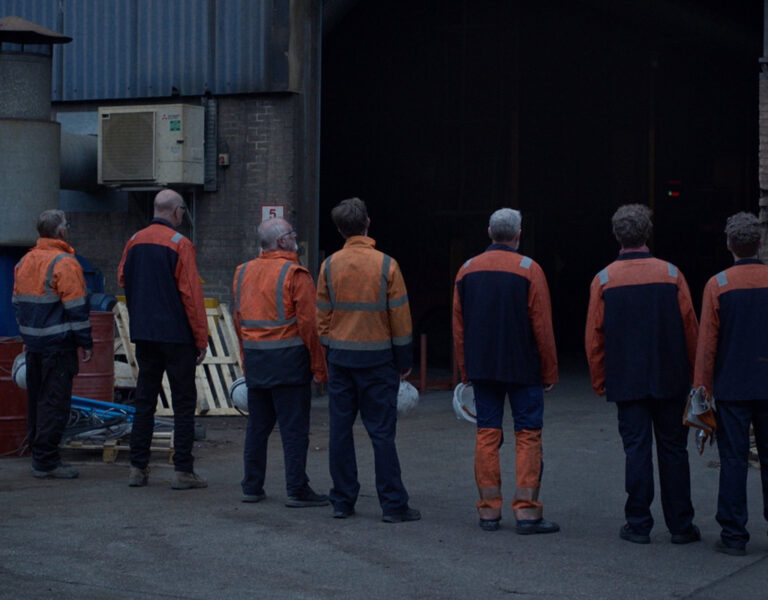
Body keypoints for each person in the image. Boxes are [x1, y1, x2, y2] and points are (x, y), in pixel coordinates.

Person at [585, 204, 700, 545]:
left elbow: (594, 337)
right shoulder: (671, 274)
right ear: (648, 233)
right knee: (674, 450)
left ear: (617, 236)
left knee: (636, 449)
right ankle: (680, 526)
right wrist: (697, 376)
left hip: (626, 378)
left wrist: (599, 377)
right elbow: (690, 329)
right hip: (670, 377)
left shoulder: (604, 279)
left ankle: (638, 523)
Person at [452, 208, 559, 534]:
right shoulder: (530, 270)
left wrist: (464, 368)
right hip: (524, 368)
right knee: (527, 434)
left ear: (489, 231)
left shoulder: (467, 269)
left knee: (487, 433)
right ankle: (527, 513)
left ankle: (488, 512)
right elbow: (542, 327)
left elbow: (458, 326)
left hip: (482, 367)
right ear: (518, 234)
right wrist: (549, 371)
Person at [316, 197, 420, 523]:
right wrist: (403, 359)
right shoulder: (387, 265)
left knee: (340, 432)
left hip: (342, 360)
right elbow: (400, 318)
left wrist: (332, 349)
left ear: (339, 229)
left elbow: (321, 318)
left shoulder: (329, 265)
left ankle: (342, 501)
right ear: (368, 223)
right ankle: (393, 505)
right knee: (381, 434)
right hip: (378, 362)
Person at [232, 217, 329, 507]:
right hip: (289, 364)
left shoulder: (242, 272)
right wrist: (319, 367)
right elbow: (309, 326)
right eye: (291, 233)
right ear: (282, 241)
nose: (295, 236)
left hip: (257, 360)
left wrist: (247, 360)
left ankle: (251, 486)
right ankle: (297, 489)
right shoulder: (295, 274)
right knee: (294, 429)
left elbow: (239, 321)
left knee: (258, 427)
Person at [118, 189, 208, 490]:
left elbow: (122, 277)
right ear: (176, 211)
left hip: (144, 334)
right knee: (183, 403)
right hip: (176, 336)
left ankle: (137, 468)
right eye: (183, 211)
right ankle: (183, 471)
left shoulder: (133, 241)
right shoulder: (180, 244)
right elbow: (192, 297)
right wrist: (200, 338)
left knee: (145, 400)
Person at [694, 211, 768, 556]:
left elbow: (707, 345)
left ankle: (734, 534)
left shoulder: (718, 285)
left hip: (733, 386)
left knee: (733, 459)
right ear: (760, 243)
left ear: (729, 245)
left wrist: (702, 392)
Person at [12, 210, 93, 479]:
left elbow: (18, 303)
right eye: (66, 226)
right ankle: (46, 461)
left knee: (37, 401)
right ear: (59, 232)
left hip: (34, 345)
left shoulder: (25, 261)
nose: (67, 229)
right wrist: (85, 343)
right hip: (58, 346)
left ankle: (40, 455)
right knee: (54, 403)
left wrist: (28, 338)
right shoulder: (65, 263)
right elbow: (76, 308)